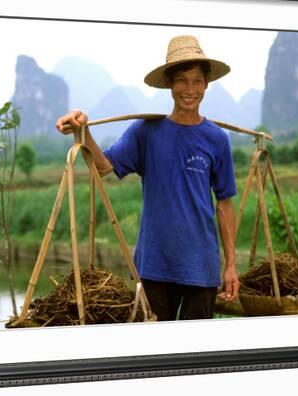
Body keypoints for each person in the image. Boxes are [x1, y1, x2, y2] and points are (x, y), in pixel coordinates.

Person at [55, 35, 239, 321]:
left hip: (200, 267)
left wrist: (230, 265)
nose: (189, 90)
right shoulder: (146, 131)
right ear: (169, 84)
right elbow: (105, 167)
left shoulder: (216, 139)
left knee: (197, 355)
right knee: (154, 350)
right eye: (181, 80)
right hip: (155, 266)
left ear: (206, 84)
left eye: (196, 81)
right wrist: (83, 130)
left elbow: (225, 203)